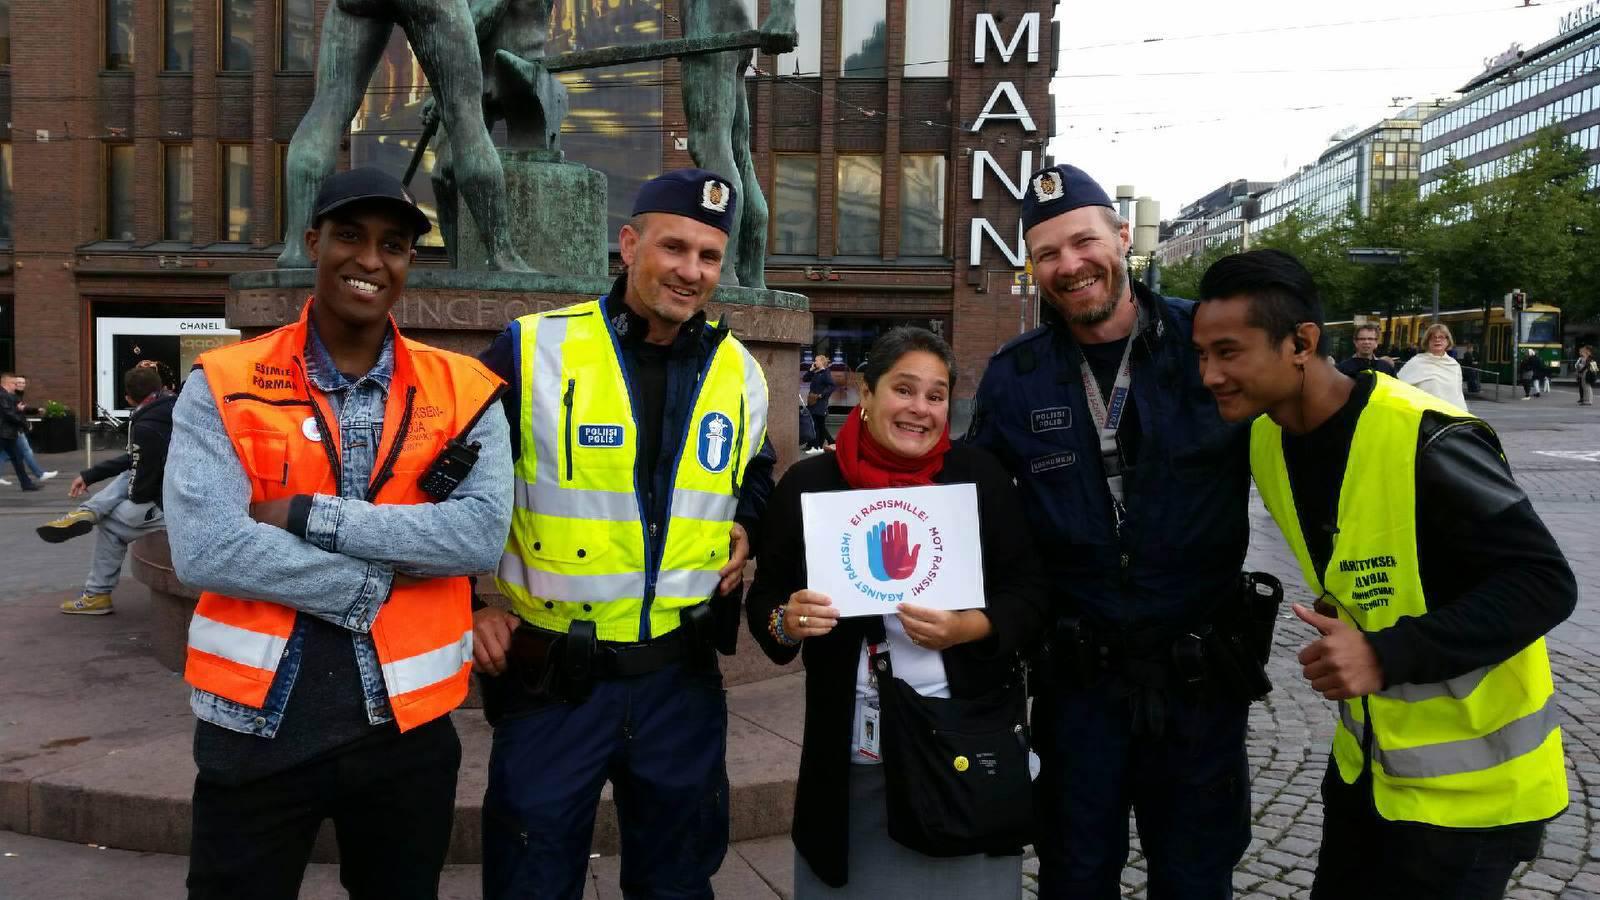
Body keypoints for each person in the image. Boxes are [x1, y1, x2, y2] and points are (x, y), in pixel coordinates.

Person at [163, 167, 513, 900]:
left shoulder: (465, 390)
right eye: (350, 236)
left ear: (410, 262)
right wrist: (379, 582)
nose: (370, 260)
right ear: (313, 241)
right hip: (254, 727)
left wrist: (304, 515)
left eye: (394, 244)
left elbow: (478, 537)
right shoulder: (224, 380)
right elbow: (207, 547)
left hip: (407, 734)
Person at [1191, 249, 1575, 900]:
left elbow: (1544, 582)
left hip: (1475, 800)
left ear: (1302, 344)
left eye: (1228, 352)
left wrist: (1382, 653)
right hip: (1368, 776)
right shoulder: (1266, 439)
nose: (1209, 375)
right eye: (1200, 356)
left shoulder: (1425, 436)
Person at [474, 168, 775, 900]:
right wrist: (467, 600)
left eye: (709, 256)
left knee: (677, 882)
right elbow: (444, 482)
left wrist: (747, 521)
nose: (691, 271)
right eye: (675, 248)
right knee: (530, 882)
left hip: (680, 681)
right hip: (553, 679)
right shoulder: (530, 350)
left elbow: (755, 469)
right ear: (630, 243)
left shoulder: (742, 373)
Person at [965, 164, 1258, 897]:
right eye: (1047, 254)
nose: (1069, 265)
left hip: (1199, 682)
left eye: (1083, 241)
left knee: (1195, 879)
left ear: (1122, 237)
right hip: (1078, 686)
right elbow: (969, 508)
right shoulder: (1015, 375)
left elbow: (1311, 431)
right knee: (1074, 875)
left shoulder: (1209, 343)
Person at [745, 327, 1047, 897]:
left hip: (962, 745)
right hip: (851, 751)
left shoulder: (978, 479)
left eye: (936, 396)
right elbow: (767, 600)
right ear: (867, 391)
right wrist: (788, 620)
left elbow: (1030, 595)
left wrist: (969, 627)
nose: (921, 409)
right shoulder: (811, 485)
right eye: (904, 390)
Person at [36, 365, 174, 615]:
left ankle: (97, 594)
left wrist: (123, 502)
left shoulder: (146, 426)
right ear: (160, 388)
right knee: (130, 470)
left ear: (128, 398)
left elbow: (142, 486)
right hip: (172, 490)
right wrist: (90, 475)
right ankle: (89, 511)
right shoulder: (169, 409)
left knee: (111, 523)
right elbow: (137, 460)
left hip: (168, 504)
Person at [1396, 323, 1467, 409]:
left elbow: (1458, 396)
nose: (1437, 340)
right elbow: (1398, 386)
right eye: (1433, 337)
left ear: (1447, 341)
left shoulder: (1454, 365)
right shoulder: (1416, 362)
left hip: (1451, 417)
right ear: (1427, 341)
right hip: (1425, 416)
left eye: (1441, 337)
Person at [0, 372, 40, 491]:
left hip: (7, 433)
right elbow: (8, 414)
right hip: (3, 432)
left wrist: (19, 410)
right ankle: (26, 483)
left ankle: (26, 484)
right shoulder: (3, 395)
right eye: (14, 383)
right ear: (7, 383)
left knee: (17, 458)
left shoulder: (7, 395)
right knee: (17, 458)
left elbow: (10, 411)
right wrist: (25, 423)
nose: (16, 385)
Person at [803, 349, 837, 453]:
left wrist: (822, 395)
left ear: (822, 362)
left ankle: (817, 445)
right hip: (813, 402)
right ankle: (818, 444)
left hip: (820, 403)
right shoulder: (816, 372)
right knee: (816, 424)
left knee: (818, 425)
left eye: (816, 360)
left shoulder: (825, 373)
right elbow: (805, 379)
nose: (814, 362)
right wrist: (811, 369)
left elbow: (832, 386)